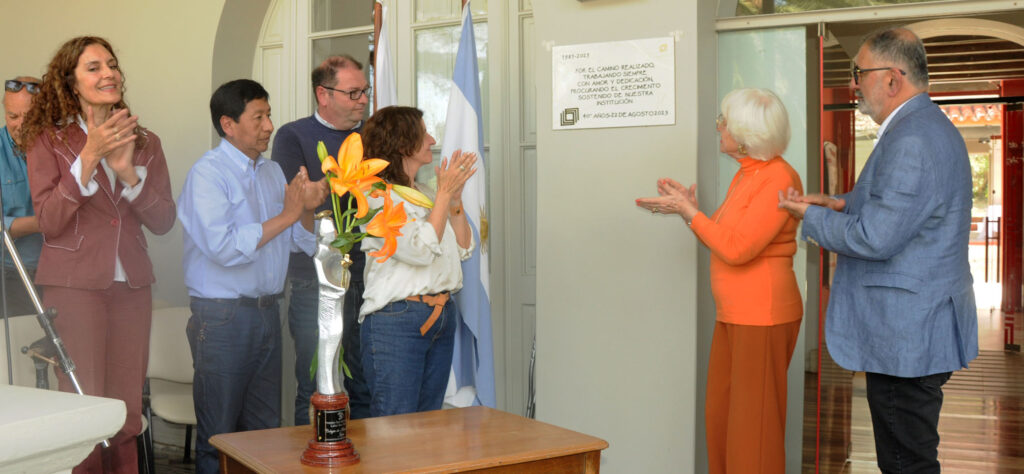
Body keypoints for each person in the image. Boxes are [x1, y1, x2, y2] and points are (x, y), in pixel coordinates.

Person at [779, 27, 977, 473]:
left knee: (906, 462)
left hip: (906, 335)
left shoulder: (911, 139)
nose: (854, 84)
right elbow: (900, 206)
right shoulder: (925, 126)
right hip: (917, 327)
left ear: (891, 78)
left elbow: (876, 237)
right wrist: (839, 203)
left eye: (859, 73)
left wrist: (810, 218)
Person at [21, 36, 176, 473]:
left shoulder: (146, 141)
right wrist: (89, 156)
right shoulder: (48, 140)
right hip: (74, 286)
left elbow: (164, 220)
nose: (108, 73)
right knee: (83, 405)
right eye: (93, 67)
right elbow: (49, 220)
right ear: (71, 83)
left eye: (111, 64)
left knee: (126, 408)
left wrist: (127, 172)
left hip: (132, 286)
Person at [636, 88, 803, 474]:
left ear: (745, 134)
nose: (718, 128)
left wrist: (690, 213)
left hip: (762, 316)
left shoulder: (778, 177)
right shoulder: (748, 174)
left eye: (723, 122)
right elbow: (728, 239)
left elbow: (737, 249)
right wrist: (690, 211)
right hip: (735, 314)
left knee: (753, 432)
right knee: (723, 421)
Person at [178, 78, 326, 474]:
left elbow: (300, 243)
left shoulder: (273, 171)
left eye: (269, 115)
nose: (269, 126)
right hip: (222, 318)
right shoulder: (208, 174)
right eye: (258, 117)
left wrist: (305, 209)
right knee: (220, 437)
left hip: (267, 313)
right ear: (228, 124)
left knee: (264, 435)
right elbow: (224, 247)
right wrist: (289, 214)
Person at [358, 106, 476, 416]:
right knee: (395, 425)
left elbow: (463, 248)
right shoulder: (374, 197)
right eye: (423, 134)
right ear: (401, 144)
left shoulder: (423, 193)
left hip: (441, 315)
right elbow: (420, 251)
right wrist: (443, 196)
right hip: (397, 319)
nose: (432, 140)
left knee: (427, 426)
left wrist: (454, 202)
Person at [271, 54, 370, 423]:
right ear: (323, 94)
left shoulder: (370, 136)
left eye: (365, 91)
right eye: (353, 92)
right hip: (315, 280)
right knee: (317, 384)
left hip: (368, 278)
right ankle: (312, 452)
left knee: (364, 385)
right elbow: (298, 201)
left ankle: (359, 453)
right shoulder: (293, 136)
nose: (363, 100)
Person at [1, 76, 43, 315]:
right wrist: (45, 221)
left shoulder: (64, 147)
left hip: (63, 274)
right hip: (10, 274)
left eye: (29, 117)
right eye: (12, 116)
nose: (20, 125)